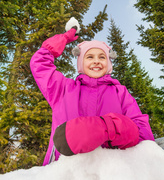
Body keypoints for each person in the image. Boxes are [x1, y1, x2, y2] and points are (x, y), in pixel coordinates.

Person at [30, 18, 154, 166]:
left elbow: (143, 134)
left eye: (102, 57)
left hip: (110, 173)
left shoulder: (120, 92)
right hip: (63, 173)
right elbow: (39, 63)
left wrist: (108, 128)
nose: (96, 61)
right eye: (89, 57)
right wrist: (63, 38)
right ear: (81, 63)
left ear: (108, 63)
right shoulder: (62, 89)